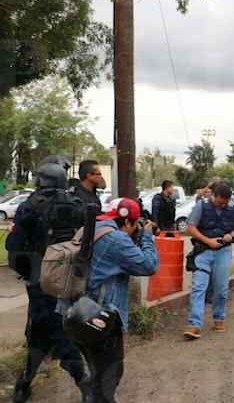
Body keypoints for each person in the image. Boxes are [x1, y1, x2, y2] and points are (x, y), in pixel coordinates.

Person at [6, 158, 89, 403]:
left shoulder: (30, 205)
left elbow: (14, 247)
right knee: (44, 331)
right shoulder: (77, 204)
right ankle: (24, 383)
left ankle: (85, 383)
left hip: (40, 280)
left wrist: (27, 272)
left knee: (54, 331)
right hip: (71, 280)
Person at [86, 198, 159, 402]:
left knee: (97, 368)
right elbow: (149, 265)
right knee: (112, 368)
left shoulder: (94, 227)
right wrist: (146, 237)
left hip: (79, 311)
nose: (136, 227)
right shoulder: (117, 239)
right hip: (103, 314)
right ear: (127, 223)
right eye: (135, 224)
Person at [183, 184, 234, 339]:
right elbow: (190, 227)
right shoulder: (201, 206)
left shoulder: (233, 205)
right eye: (220, 202)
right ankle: (194, 324)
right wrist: (208, 241)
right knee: (198, 287)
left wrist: (231, 235)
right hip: (202, 252)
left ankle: (219, 317)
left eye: (225, 202)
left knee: (221, 289)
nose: (223, 205)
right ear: (214, 196)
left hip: (223, 252)